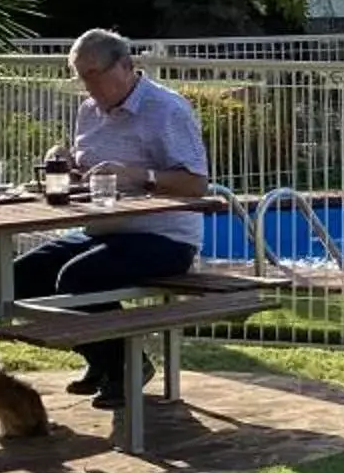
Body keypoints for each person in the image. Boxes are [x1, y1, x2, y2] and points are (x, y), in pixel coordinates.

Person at [20, 29, 213, 409]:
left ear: (126, 66)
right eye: (80, 76)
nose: (88, 85)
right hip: (103, 229)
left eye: (93, 74)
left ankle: (125, 366)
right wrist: (67, 167)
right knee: (22, 277)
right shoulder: (88, 111)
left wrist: (141, 175)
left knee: (77, 278)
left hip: (164, 236)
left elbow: (196, 184)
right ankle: (102, 358)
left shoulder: (167, 109)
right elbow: (90, 171)